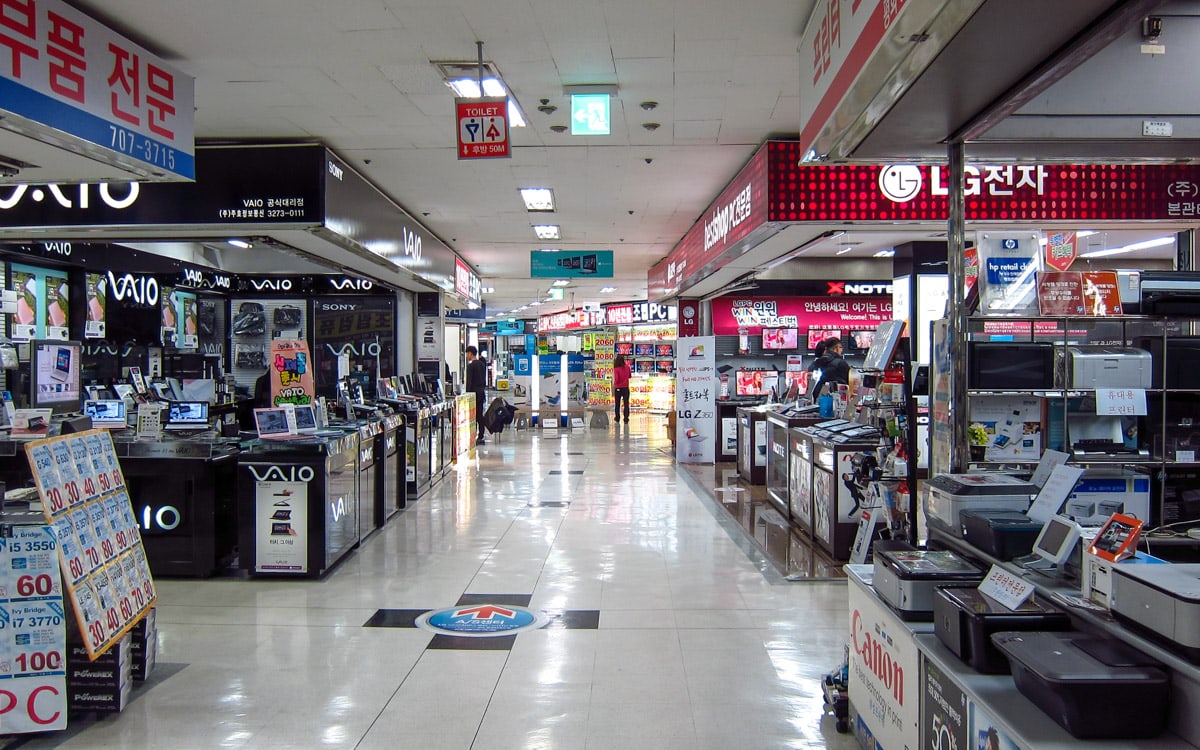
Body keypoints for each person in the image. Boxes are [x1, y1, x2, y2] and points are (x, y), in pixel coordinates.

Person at [465, 345, 487, 444]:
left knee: (472, 416)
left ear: (470, 353)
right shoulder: (482, 365)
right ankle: (481, 434)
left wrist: (467, 395)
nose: (466, 356)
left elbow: (469, 382)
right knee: (479, 415)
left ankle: (472, 434)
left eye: (467, 353)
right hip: (481, 392)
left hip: (473, 394)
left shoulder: (470, 366)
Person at [612, 354, 631, 425]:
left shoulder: (616, 369)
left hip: (618, 388)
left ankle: (617, 418)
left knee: (617, 404)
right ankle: (626, 418)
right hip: (626, 388)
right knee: (626, 403)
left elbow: (616, 379)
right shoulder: (627, 367)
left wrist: (614, 384)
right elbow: (629, 376)